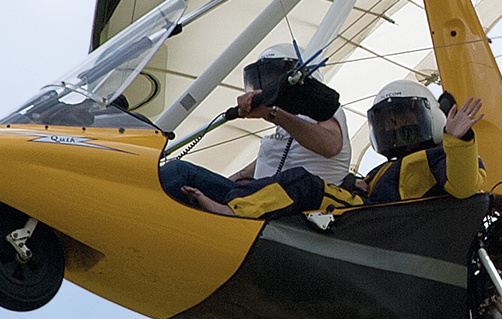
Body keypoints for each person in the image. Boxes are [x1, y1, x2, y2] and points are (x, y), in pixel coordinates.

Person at [181, 81, 484, 218]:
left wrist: (457, 140)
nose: (394, 128)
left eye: (403, 117)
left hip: (376, 222)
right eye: (387, 122)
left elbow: (463, 186)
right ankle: (229, 201)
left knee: (302, 182)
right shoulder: (385, 170)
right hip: (369, 216)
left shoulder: (445, 154)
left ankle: (232, 212)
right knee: (301, 182)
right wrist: (354, 182)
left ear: (431, 117)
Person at [159, 43, 352, 205]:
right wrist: (230, 181)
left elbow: (331, 145)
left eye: (272, 79)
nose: (266, 87)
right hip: (260, 200)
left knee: (179, 172)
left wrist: (273, 113)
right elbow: (269, 160)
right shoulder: (287, 125)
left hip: (288, 209)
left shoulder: (325, 109)